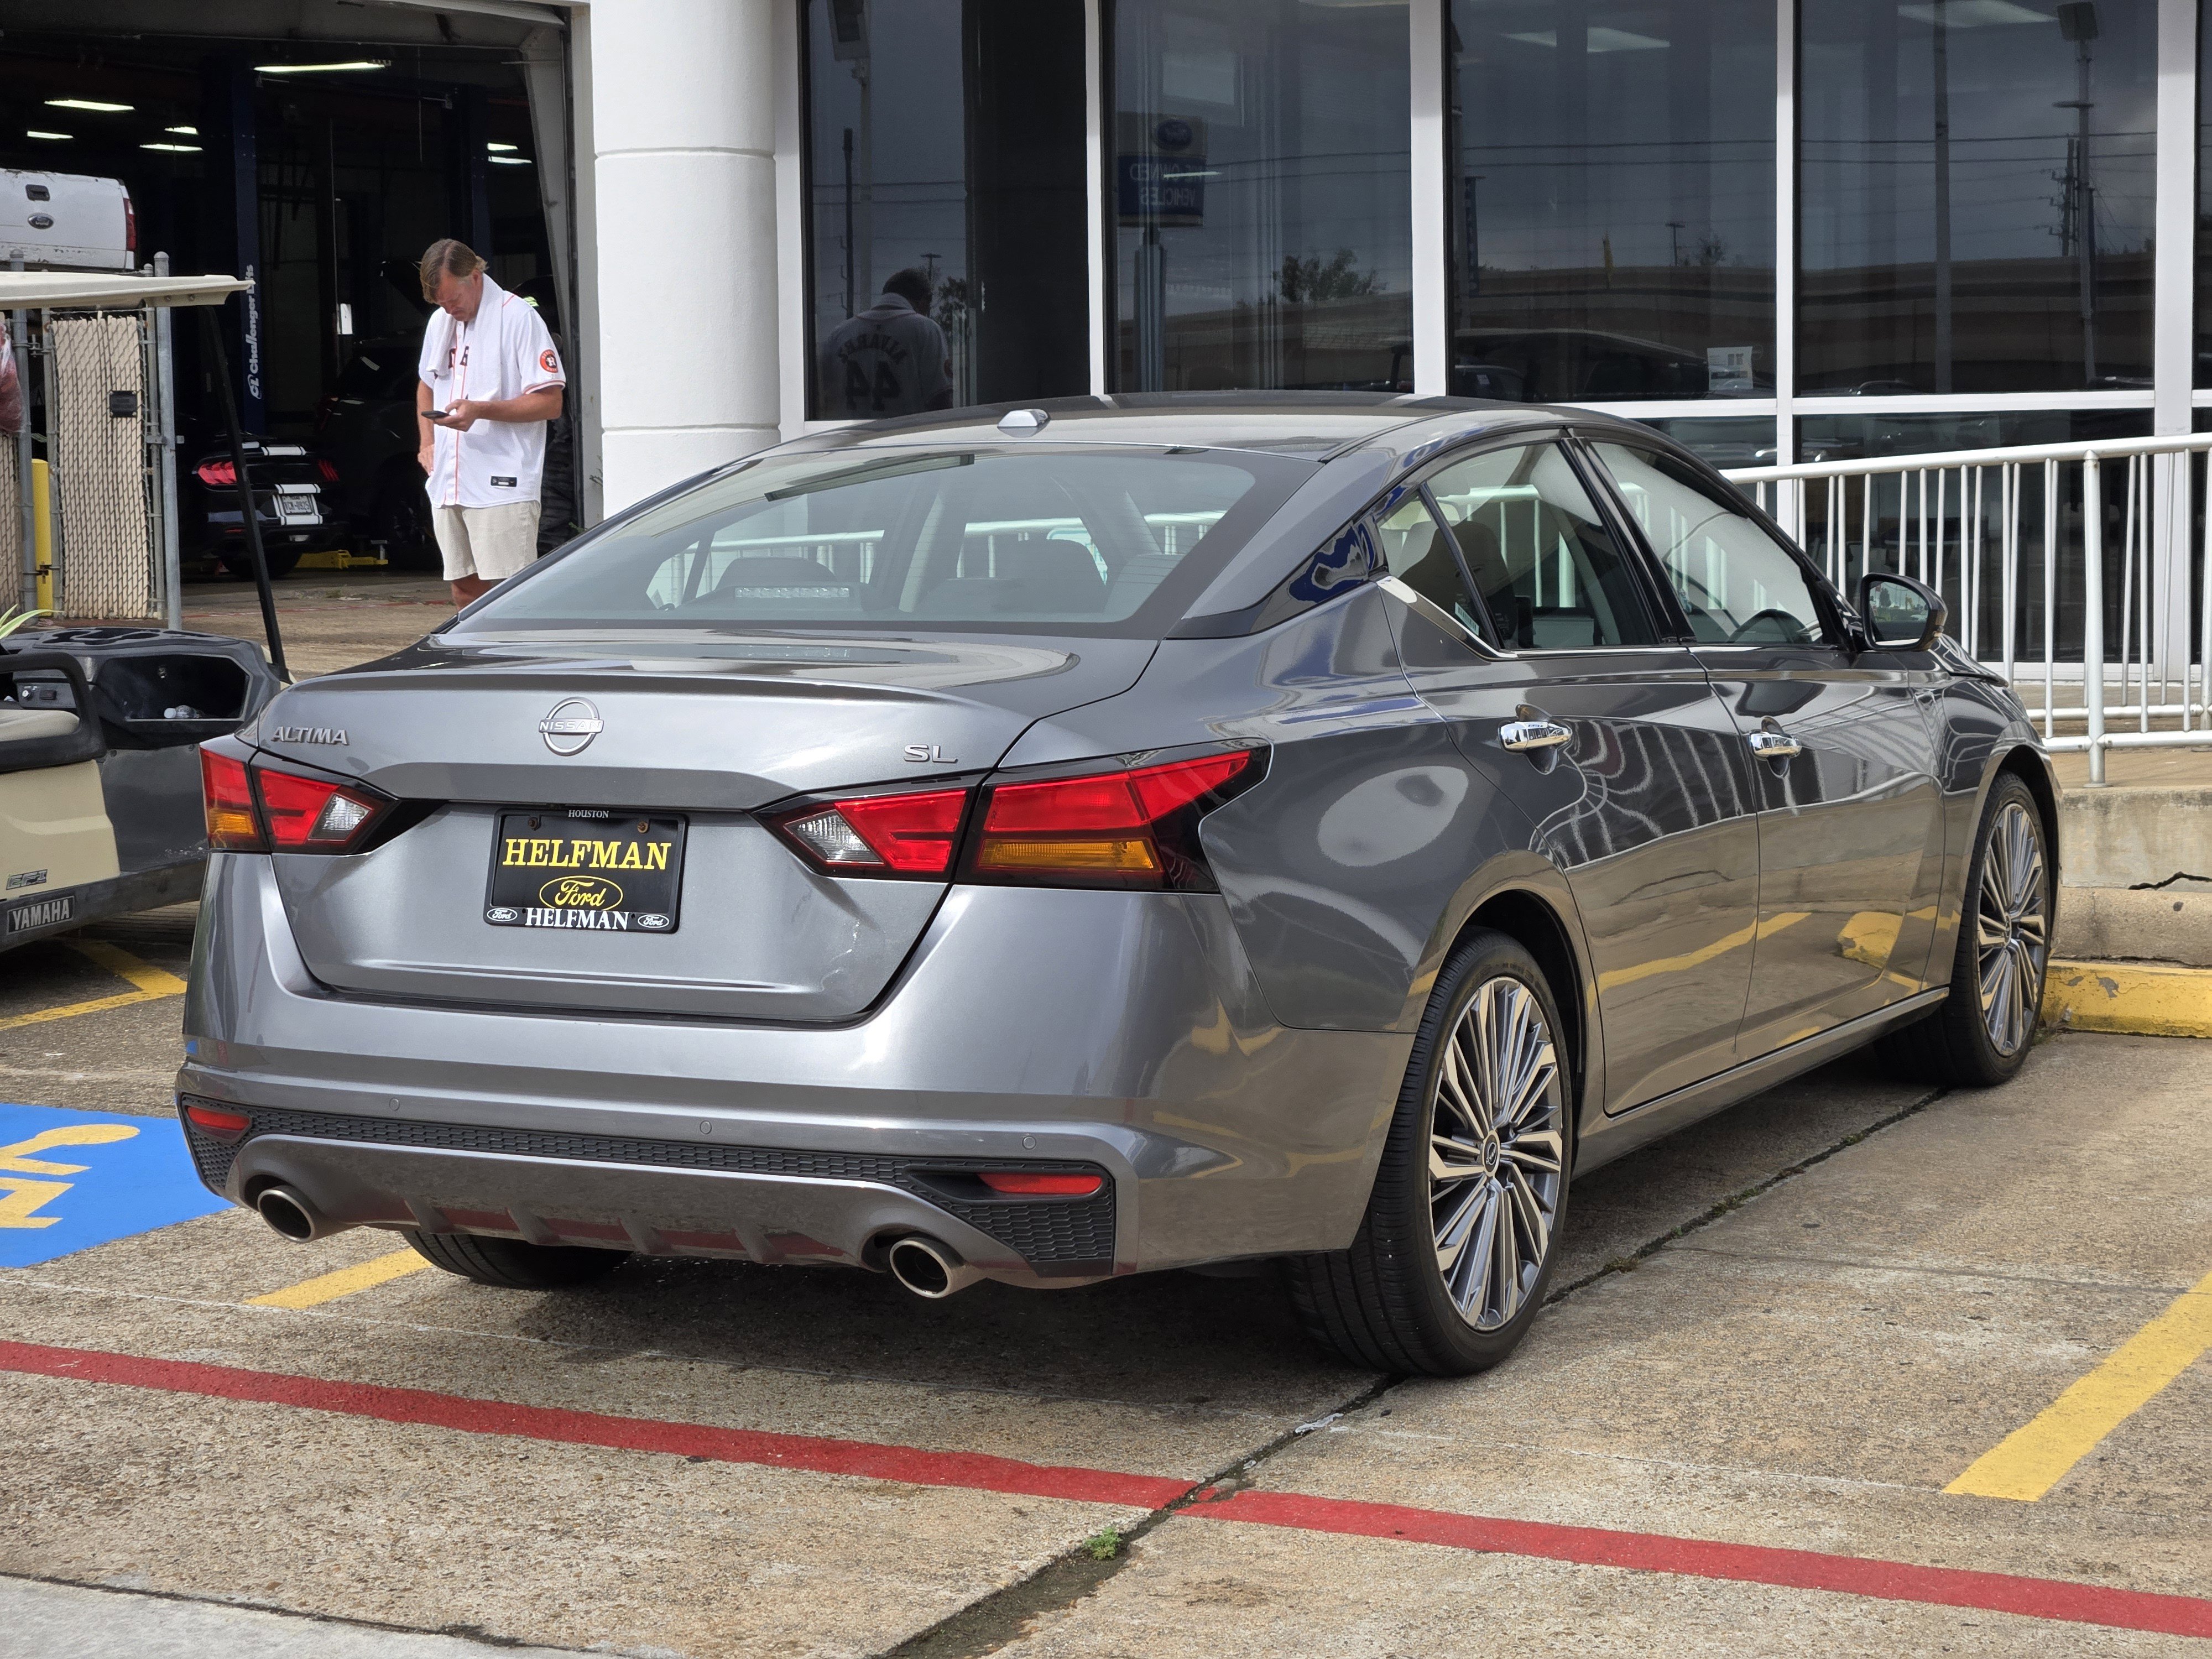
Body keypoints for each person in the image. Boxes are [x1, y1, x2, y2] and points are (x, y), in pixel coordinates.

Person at [415, 239, 566, 607]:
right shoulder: (441, 322)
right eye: (441, 303)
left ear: (476, 276)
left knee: (508, 595)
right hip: (450, 478)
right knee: (463, 588)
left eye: (453, 299)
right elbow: (426, 383)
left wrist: (481, 410)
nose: (449, 310)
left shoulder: (518, 318)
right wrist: (427, 442)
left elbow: (551, 402)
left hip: (502, 480)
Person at [818, 268, 954, 419]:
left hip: (848, 431)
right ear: (923, 302)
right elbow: (941, 399)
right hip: (905, 431)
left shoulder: (840, 333)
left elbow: (825, 397)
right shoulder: (926, 330)